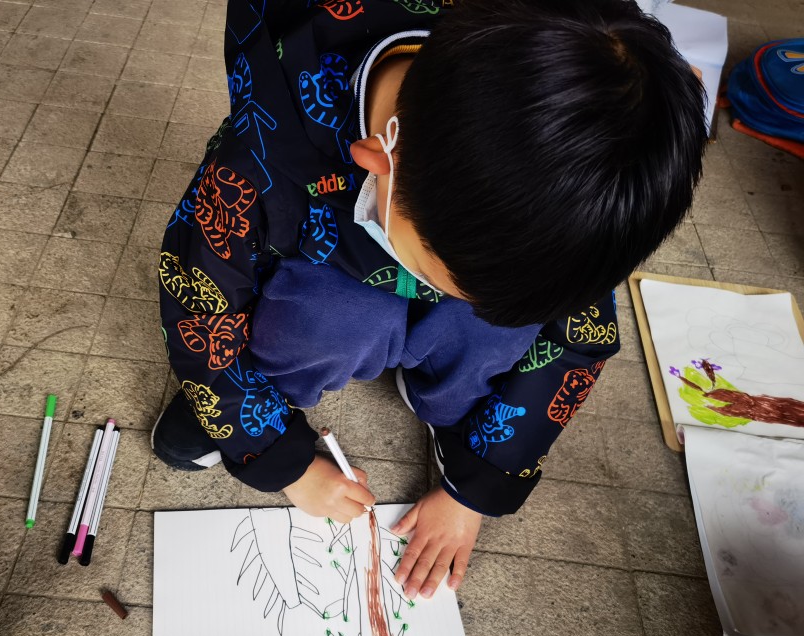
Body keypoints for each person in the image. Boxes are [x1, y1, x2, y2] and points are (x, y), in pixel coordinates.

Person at [153, 0, 706, 600]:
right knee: (328, 320)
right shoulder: (265, 151)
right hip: (324, 254)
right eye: (439, 277)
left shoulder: (576, 196)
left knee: (502, 328)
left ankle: (460, 407)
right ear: (378, 160)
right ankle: (263, 398)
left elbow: (578, 341)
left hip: (448, 226)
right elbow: (199, 295)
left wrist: (476, 485)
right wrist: (273, 454)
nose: (437, 295)